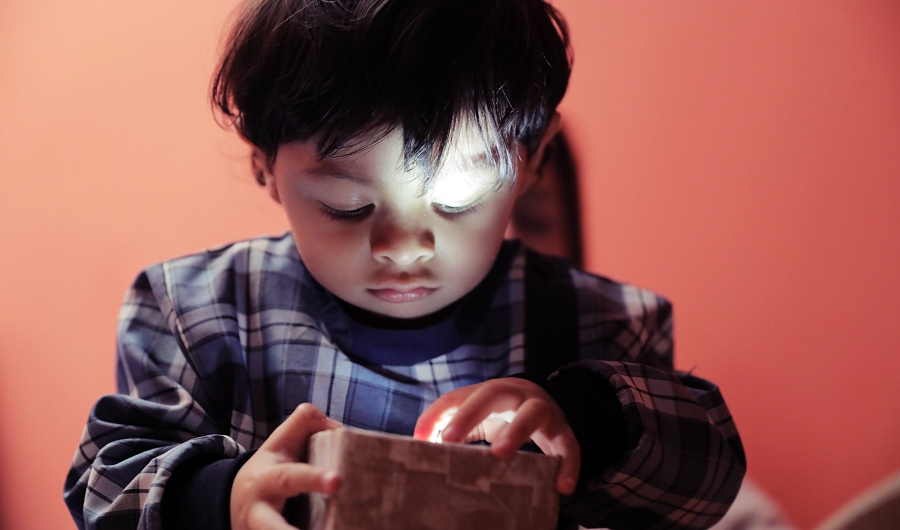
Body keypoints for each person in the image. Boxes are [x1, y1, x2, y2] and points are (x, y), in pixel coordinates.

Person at [63, 1, 746, 529]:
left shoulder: (599, 324)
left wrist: (584, 418)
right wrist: (219, 498)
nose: (403, 245)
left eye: (457, 199)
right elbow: (103, 479)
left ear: (535, 158)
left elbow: (704, 481)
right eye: (347, 204)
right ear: (266, 168)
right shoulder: (196, 312)